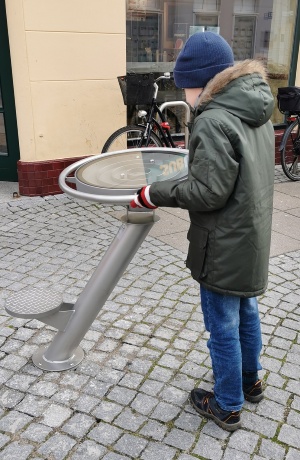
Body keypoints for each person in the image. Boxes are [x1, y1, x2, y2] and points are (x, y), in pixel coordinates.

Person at [130, 31, 275, 431]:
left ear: (203, 81)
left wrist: (152, 192)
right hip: (251, 233)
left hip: (223, 242)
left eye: (184, 84)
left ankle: (227, 404)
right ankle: (251, 381)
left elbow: (207, 191)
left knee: (222, 326)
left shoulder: (213, 119)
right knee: (247, 310)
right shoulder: (256, 108)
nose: (184, 93)